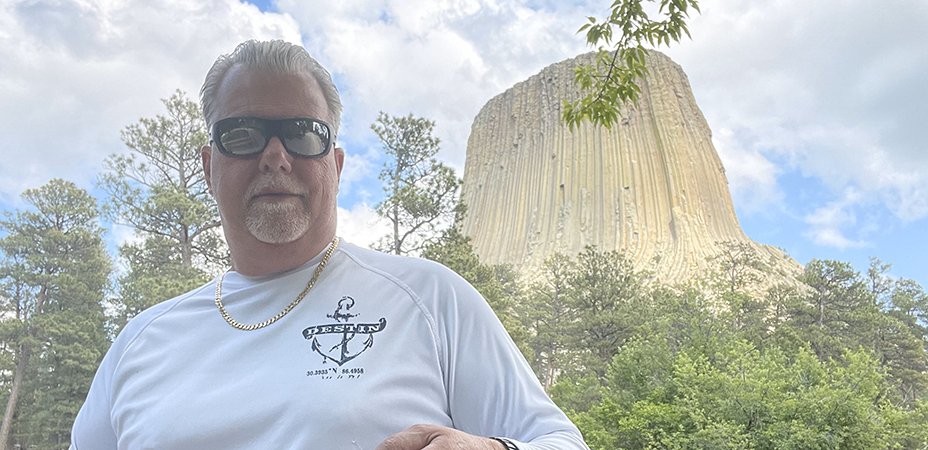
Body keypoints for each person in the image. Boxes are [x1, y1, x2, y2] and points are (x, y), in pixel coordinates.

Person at [69, 40, 589, 450]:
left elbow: (563, 442)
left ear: (335, 166)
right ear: (209, 167)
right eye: (245, 134)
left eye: (303, 134)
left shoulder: (429, 299)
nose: (275, 156)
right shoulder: (139, 343)